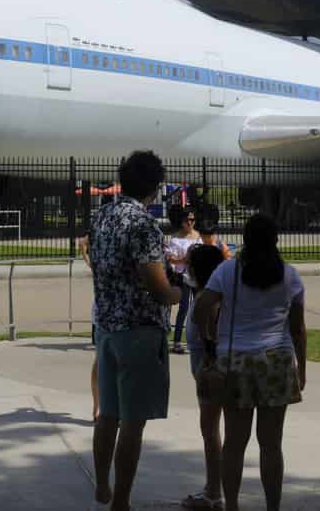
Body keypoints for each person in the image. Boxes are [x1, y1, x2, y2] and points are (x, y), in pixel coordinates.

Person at [89, 150, 182, 511]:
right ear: (155, 186)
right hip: (139, 330)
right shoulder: (143, 224)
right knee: (133, 421)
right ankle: (122, 501)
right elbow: (157, 287)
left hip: (107, 326)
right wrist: (177, 292)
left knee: (108, 415)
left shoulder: (102, 217)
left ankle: (102, 486)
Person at [194, 214, 306, 511]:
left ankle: (232, 505)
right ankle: (272, 507)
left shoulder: (227, 271)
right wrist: (302, 368)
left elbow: (203, 306)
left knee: (234, 442)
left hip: (236, 360)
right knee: (271, 445)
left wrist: (209, 343)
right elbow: (297, 329)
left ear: (245, 238)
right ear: (276, 240)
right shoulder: (290, 275)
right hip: (277, 361)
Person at [181, 242, 230, 511]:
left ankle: (214, 493)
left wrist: (206, 368)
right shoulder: (203, 294)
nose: (185, 268)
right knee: (214, 431)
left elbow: (210, 336)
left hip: (210, 371)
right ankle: (216, 491)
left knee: (211, 432)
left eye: (189, 264)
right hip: (206, 368)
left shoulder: (207, 299)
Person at [166, 205, 201, 355]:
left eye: (192, 220)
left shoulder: (198, 236)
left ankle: (199, 338)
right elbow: (170, 259)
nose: (190, 223)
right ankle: (177, 341)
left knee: (199, 307)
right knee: (184, 308)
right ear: (182, 221)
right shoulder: (176, 238)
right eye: (188, 220)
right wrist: (183, 259)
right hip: (183, 277)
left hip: (197, 276)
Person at [78, 229, 99, 421]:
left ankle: (100, 406)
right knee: (101, 361)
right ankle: (97, 406)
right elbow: (82, 243)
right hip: (104, 314)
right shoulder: (99, 263)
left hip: (110, 314)